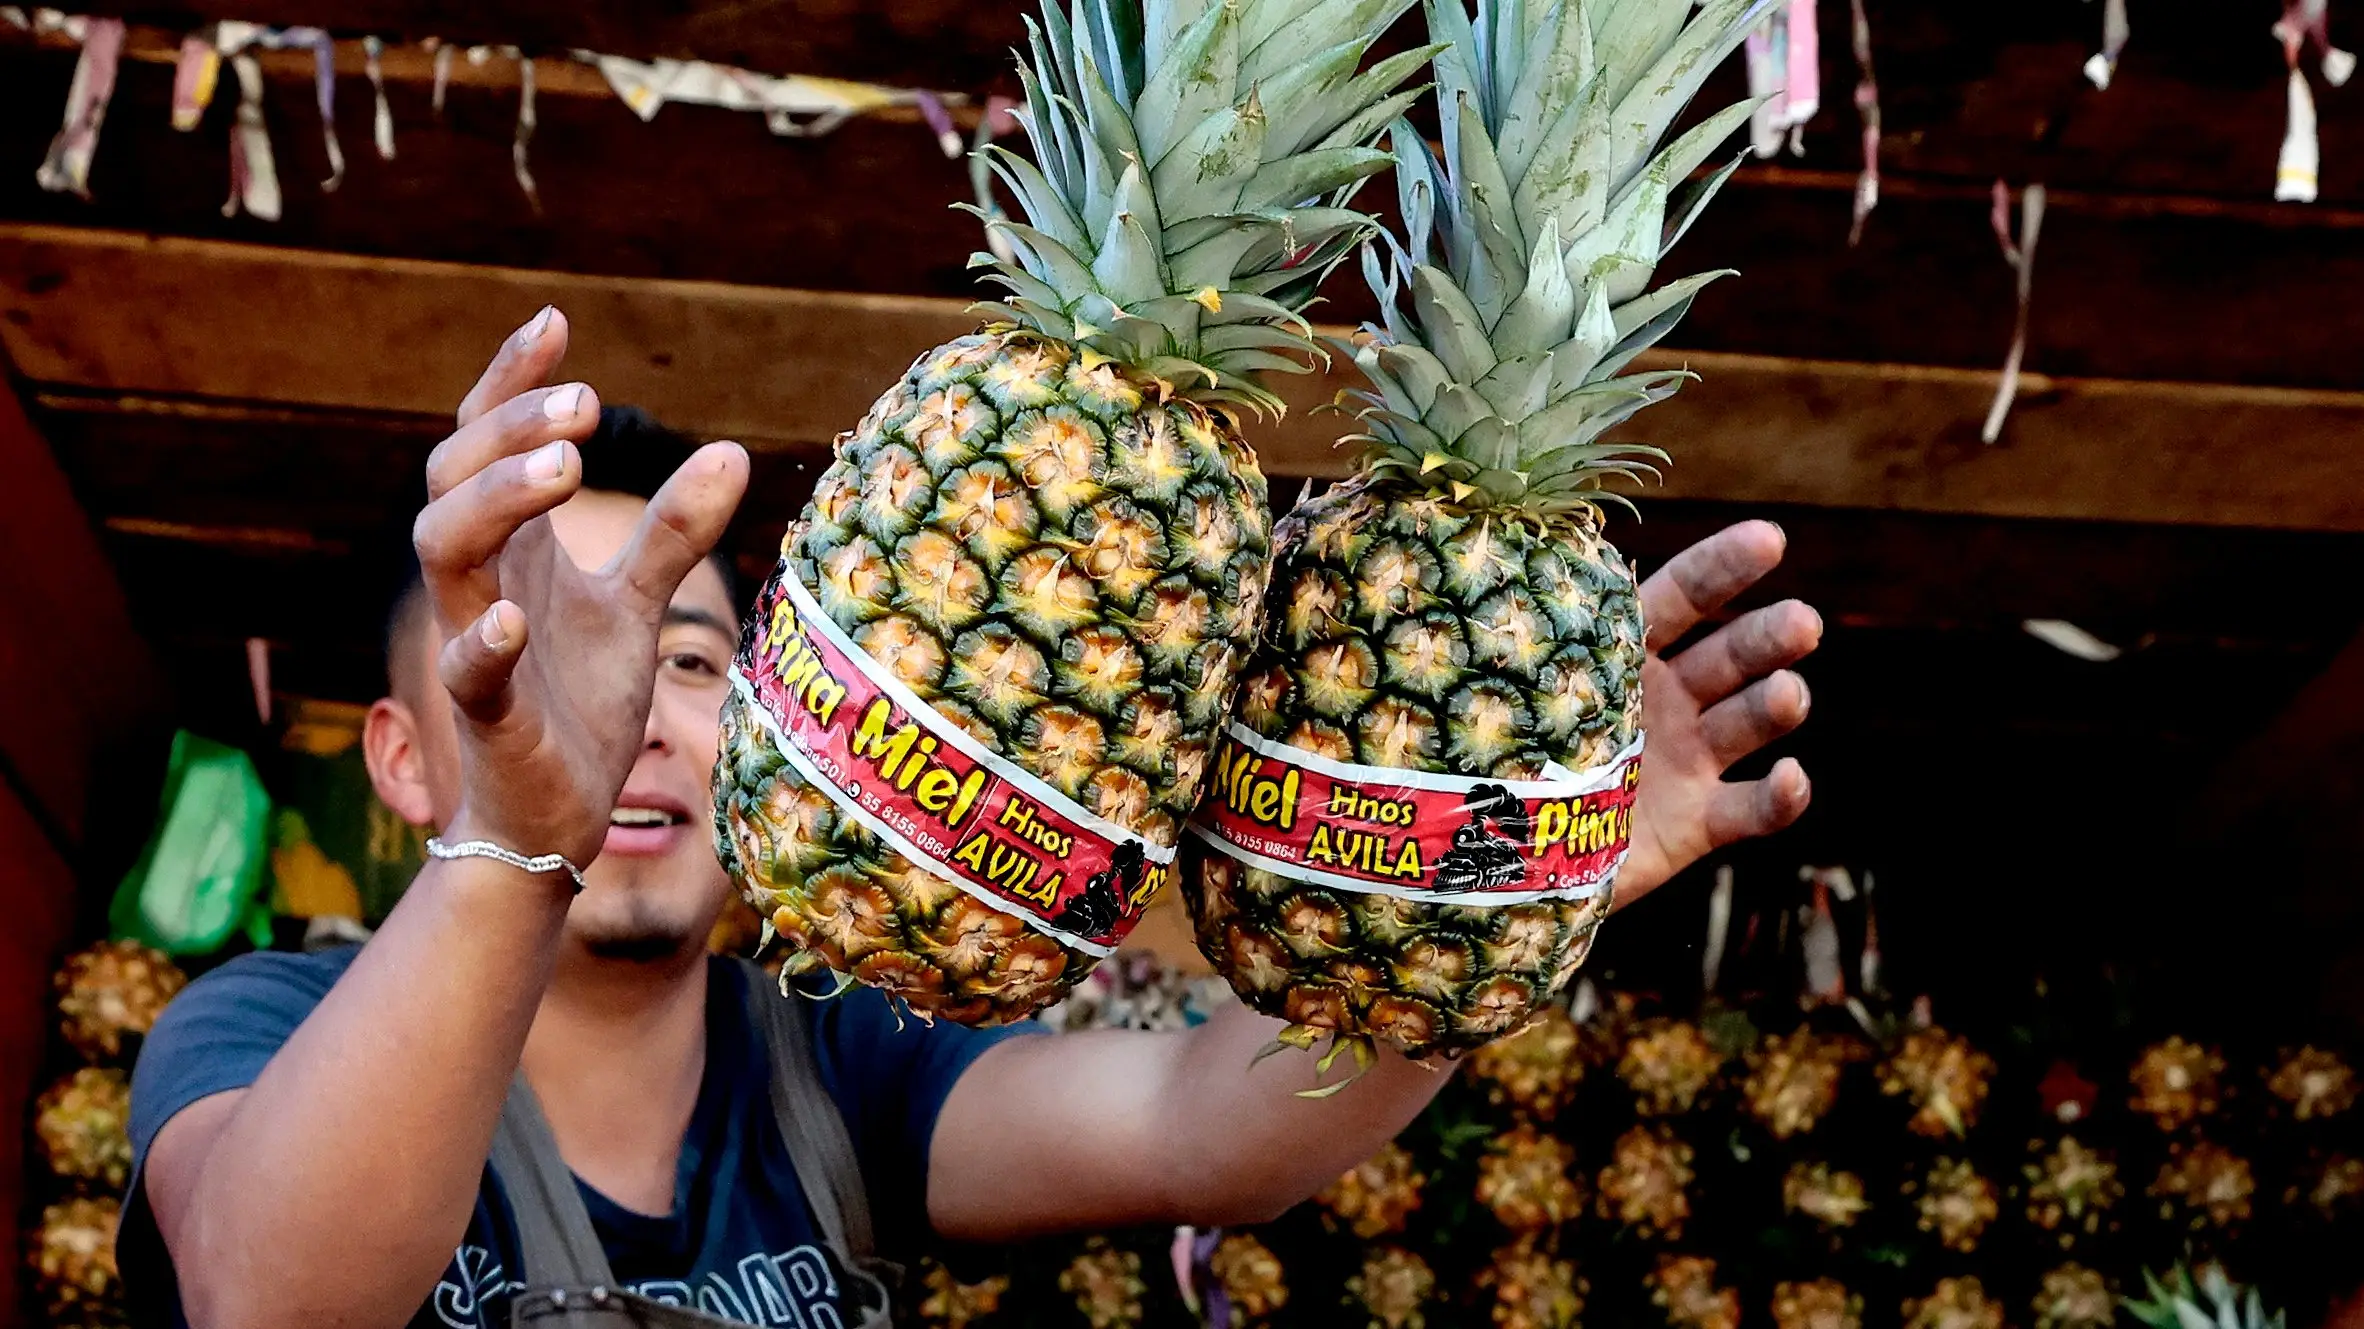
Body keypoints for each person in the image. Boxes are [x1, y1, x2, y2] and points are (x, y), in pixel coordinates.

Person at [124, 309, 1822, 1329]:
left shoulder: (833, 1069)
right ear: (400, 758)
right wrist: (521, 835)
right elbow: (271, 1305)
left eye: (684, 659)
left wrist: (1492, 884)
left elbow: (1208, 1134)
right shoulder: (255, 1029)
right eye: (550, 654)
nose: (628, 721)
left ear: (772, 700)